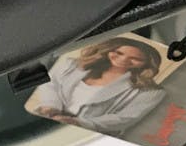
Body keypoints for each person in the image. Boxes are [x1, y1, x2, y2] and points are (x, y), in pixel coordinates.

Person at [33, 37, 167, 136]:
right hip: (45, 122)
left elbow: (125, 118)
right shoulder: (71, 64)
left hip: (88, 136)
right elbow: (50, 83)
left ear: (147, 64)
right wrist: (51, 107)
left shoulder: (150, 92)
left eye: (136, 59)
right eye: (119, 53)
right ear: (107, 51)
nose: (123, 60)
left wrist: (79, 123)